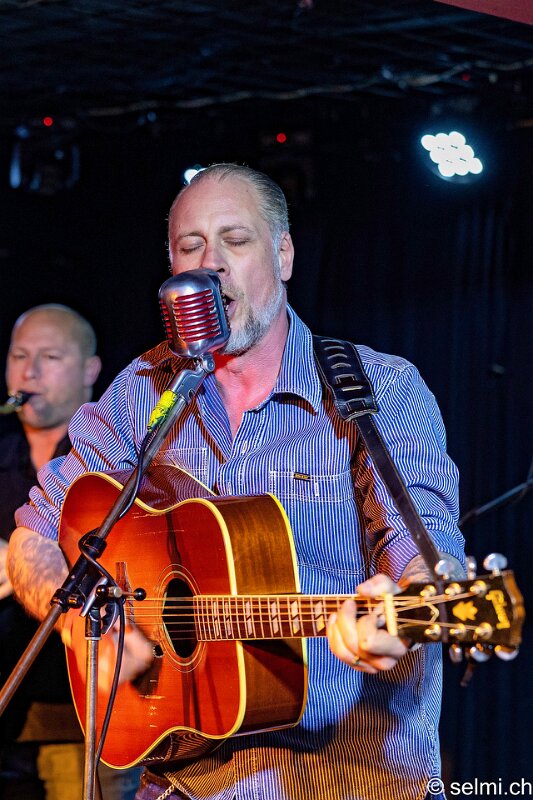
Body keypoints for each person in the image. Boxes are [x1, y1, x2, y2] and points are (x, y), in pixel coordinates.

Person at [7, 166, 465, 800]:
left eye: (236, 240)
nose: (211, 264)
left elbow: (426, 550)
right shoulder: (142, 392)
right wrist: (85, 624)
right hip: (181, 782)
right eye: (190, 246)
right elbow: (32, 537)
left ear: (283, 255)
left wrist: (404, 606)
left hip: (349, 780)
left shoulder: (377, 389)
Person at [0, 304, 142, 799]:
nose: (29, 372)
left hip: (95, 723)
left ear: (90, 370)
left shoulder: (117, 459)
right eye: (19, 356)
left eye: (50, 357)